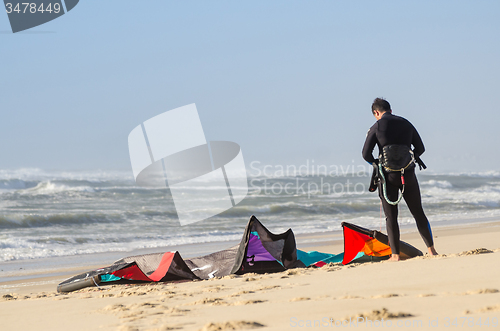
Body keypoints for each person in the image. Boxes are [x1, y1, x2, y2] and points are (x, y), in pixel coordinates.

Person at [362, 97, 438, 261]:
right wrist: (409, 160)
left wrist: (377, 164)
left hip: (387, 178)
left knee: (391, 217)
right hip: (408, 175)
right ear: (390, 109)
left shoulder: (376, 126)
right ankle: (431, 250)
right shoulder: (406, 123)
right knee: (418, 213)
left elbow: (365, 154)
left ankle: (395, 255)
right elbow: (421, 148)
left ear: (376, 112)